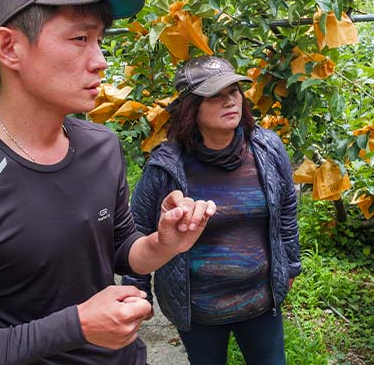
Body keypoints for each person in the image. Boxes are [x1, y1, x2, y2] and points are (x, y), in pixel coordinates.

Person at [0, 0, 216, 364]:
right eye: (80, 39)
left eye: (99, 41)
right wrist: (76, 327)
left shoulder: (102, 147)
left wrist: (163, 243)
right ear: (9, 47)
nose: (100, 61)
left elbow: (121, 249)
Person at [122, 55, 301, 365]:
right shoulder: (167, 166)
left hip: (260, 303)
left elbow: (286, 208)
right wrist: (137, 293)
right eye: (215, 96)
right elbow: (137, 230)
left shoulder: (267, 149)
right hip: (199, 310)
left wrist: (291, 267)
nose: (229, 101)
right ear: (192, 109)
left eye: (233, 92)